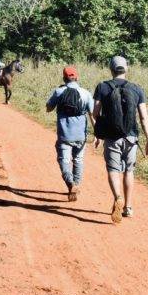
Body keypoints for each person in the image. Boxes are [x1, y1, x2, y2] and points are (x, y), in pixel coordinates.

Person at [93, 56, 148, 224]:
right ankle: (128, 207)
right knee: (129, 171)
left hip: (112, 137)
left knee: (113, 170)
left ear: (111, 69)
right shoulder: (136, 89)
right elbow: (144, 117)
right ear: (126, 69)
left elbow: (95, 112)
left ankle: (118, 197)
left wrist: (98, 133)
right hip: (131, 137)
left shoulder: (102, 87)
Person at [46, 66, 94, 201]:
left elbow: (48, 108)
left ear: (64, 78)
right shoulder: (86, 93)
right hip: (81, 135)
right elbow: (92, 114)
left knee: (64, 161)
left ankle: (71, 184)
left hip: (64, 134)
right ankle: (76, 185)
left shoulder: (59, 91)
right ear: (77, 77)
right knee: (78, 160)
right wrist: (97, 133)